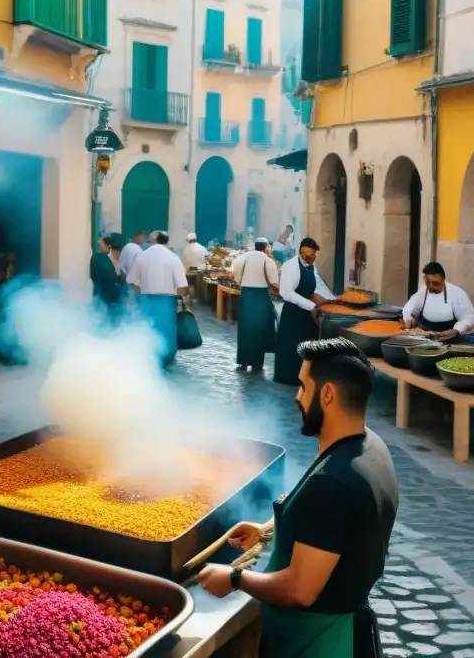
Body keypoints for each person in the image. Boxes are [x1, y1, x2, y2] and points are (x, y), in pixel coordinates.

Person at [198, 337, 398, 657]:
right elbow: (335, 528)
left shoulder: (334, 483)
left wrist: (234, 577)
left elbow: (299, 590)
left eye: (304, 388)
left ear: (328, 394)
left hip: (315, 643)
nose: (297, 398)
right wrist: (267, 530)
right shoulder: (370, 447)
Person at [274, 238, 335, 386]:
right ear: (301, 253)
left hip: (307, 313)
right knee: (292, 346)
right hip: (293, 314)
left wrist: (330, 301)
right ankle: (290, 378)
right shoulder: (290, 267)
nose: (312, 259)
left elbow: (312, 290)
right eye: (309, 257)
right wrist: (311, 306)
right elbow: (286, 292)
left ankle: (305, 376)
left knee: (307, 345)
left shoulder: (310, 267)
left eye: (314, 256)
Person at [126, 231, 189, 366]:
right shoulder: (173, 258)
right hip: (166, 303)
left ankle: (147, 357)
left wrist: (140, 292)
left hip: (146, 301)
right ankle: (166, 361)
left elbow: (130, 280)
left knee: (147, 330)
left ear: (153, 241)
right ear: (166, 241)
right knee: (166, 332)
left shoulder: (142, 256)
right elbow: (183, 287)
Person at [232, 238, 279, 373]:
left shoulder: (244, 257)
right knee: (259, 331)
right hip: (260, 298)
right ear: (265, 247)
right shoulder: (268, 261)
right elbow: (274, 283)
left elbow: (233, 273)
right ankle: (257, 364)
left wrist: (241, 280)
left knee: (245, 330)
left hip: (246, 296)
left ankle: (243, 362)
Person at [401, 262, 474, 341]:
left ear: (443, 280)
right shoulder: (423, 291)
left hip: (451, 339)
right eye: (428, 283)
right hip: (426, 339)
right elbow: (408, 309)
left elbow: (469, 317)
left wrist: (457, 330)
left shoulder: (456, 293)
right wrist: (408, 319)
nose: (431, 286)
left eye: (435, 283)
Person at [89, 235, 121, 318]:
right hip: (107, 292)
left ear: (108, 246)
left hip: (105, 292)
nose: (99, 247)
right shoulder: (100, 258)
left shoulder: (99, 258)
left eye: (100, 245)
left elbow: (93, 276)